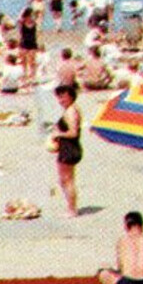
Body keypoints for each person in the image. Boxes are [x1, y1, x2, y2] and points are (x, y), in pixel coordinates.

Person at [52, 84, 83, 217]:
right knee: (65, 179)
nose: (61, 100)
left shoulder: (71, 111)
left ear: (71, 96)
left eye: (63, 97)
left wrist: (58, 134)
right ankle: (71, 207)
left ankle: (72, 209)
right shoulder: (72, 109)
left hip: (70, 148)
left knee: (67, 180)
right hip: (69, 148)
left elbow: (73, 133)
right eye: (59, 97)